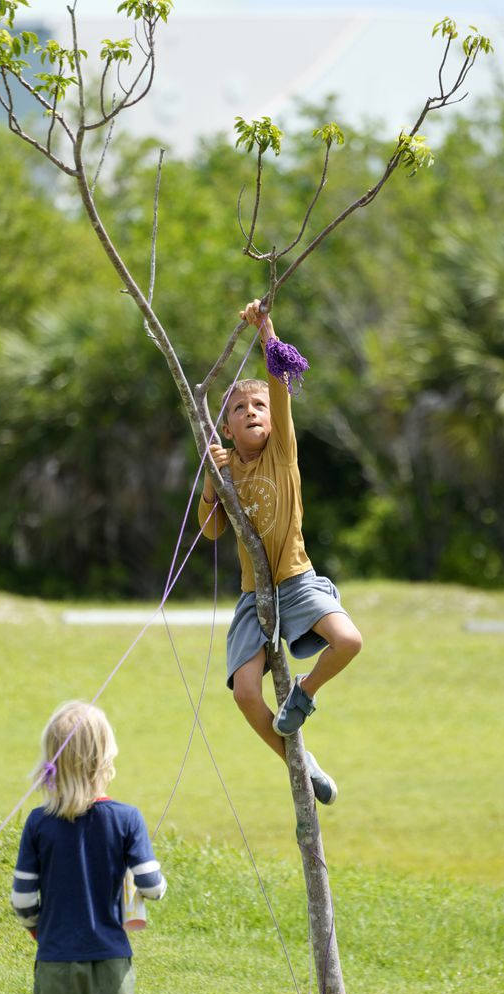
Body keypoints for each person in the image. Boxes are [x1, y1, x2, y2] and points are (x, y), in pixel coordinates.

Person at [198, 299, 362, 805]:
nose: (251, 412)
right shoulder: (227, 469)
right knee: (245, 694)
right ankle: (301, 762)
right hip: (254, 596)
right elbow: (210, 532)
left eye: (259, 407)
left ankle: (304, 694)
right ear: (225, 428)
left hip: (296, 581)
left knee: (349, 640)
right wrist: (212, 478)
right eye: (239, 410)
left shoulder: (282, 452)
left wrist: (265, 328)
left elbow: (279, 383)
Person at [9, 700, 167, 994]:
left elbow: (21, 901)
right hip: (112, 965)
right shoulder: (127, 818)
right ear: (105, 759)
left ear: (50, 760)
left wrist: (39, 928)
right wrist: (149, 884)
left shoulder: (38, 823)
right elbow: (152, 885)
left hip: (56, 962)